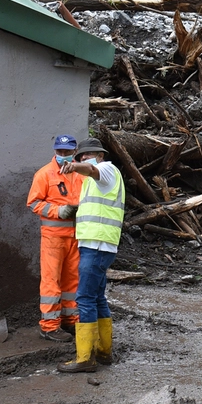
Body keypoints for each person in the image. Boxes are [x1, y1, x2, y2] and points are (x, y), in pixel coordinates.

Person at [56, 137, 125, 373]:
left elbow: (93, 170)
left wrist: (75, 166)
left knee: (84, 297)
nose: (83, 159)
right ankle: (104, 353)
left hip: (97, 245)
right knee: (97, 298)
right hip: (99, 244)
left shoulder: (105, 169)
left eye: (87, 155)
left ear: (100, 155)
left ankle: (85, 358)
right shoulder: (96, 180)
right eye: (80, 156)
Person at [26, 135, 83, 342]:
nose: (63, 155)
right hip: (53, 238)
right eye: (60, 152)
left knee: (72, 280)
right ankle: (49, 326)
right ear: (54, 151)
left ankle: (71, 320)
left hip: (76, 236)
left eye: (67, 152)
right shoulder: (44, 174)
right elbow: (33, 203)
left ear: (74, 151)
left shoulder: (80, 173)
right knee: (52, 281)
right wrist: (60, 211)